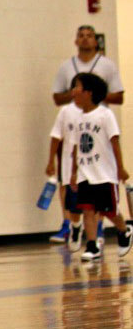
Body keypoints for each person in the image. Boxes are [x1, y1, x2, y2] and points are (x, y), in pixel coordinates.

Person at [49, 25, 123, 243]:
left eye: (89, 35)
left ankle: (113, 228)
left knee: (103, 196)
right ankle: (80, 232)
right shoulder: (66, 68)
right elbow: (56, 98)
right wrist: (76, 96)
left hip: (99, 133)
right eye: (81, 35)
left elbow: (119, 97)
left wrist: (95, 94)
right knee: (78, 188)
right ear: (75, 41)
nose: (85, 39)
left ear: (96, 41)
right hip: (78, 129)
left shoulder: (107, 65)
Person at [68, 73, 133, 261]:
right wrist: (73, 173)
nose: (73, 91)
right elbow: (75, 149)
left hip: (105, 174)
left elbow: (115, 142)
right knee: (87, 209)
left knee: (109, 211)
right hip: (85, 173)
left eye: (77, 87)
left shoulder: (105, 115)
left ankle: (124, 230)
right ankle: (91, 246)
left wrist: (120, 168)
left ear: (88, 92)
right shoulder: (77, 119)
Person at [45, 75, 85, 252]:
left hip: (91, 165)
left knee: (93, 202)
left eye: (80, 87)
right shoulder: (65, 111)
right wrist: (51, 161)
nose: (75, 91)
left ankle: (94, 238)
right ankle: (73, 227)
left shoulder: (97, 112)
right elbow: (56, 136)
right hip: (70, 165)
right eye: (74, 87)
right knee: (72, 202)